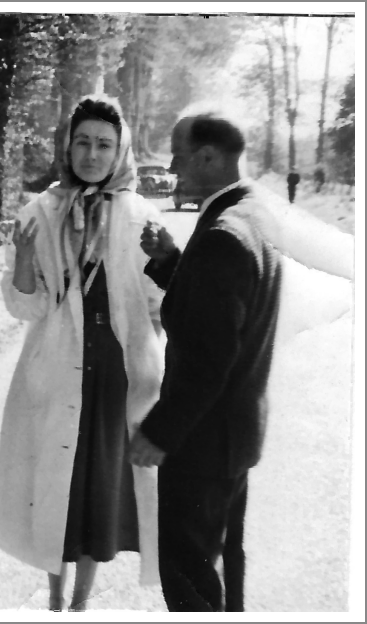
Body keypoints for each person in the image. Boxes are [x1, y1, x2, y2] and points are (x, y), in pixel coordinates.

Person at [0, 95, 165, 612]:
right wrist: (25, 259)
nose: (91, 154)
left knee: (97, 489)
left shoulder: (140, 215)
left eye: (104, 145)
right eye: (82, 142)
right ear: (67, 147)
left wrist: (166, 264)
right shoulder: (40, 212)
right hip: (57, 367)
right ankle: (54, 599)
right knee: (54, 484)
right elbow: (26, 306)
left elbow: (159, 301)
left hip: (115, 375)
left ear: (120, 151)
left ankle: (81, 604)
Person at [130, 108, 283, 612]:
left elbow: (209, 359)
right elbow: (218, 313)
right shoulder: (252, 213)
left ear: (210, 156)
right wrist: (173, 263)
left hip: (202, 444)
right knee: (222, 568)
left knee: (190, 579)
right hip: (232, 438)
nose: (172, 166)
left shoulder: (222, 235)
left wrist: (160, 433)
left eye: (179, 154)